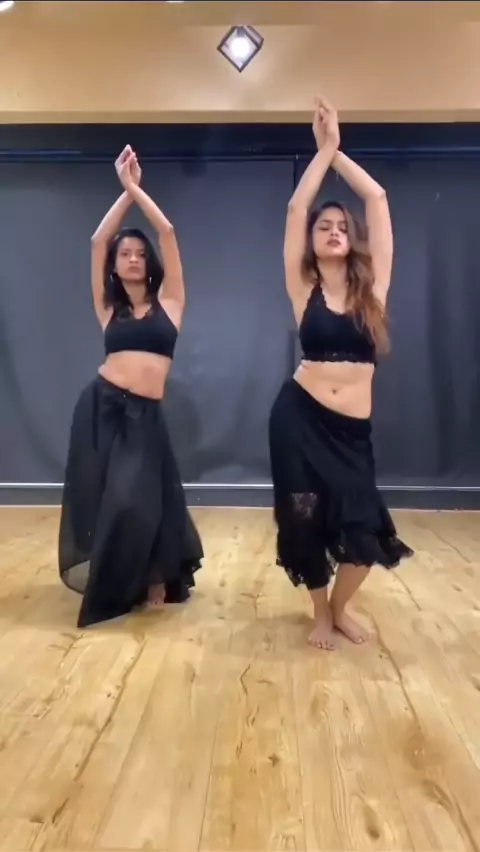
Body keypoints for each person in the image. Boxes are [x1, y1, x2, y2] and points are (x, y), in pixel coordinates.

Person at [269, 97, 413, 650]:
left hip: (350, 432)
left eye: (340, 226)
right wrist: (319, 154)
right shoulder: (301, 289)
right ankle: (320, 613)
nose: (332, 230)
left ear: (351, 237)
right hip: (298, 418)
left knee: (363, 528)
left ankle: (339, 606)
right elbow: (294, 208)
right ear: (311, 240)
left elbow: (376, 199)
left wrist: (336, 150)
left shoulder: (373, 289)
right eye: (323, 226)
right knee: (303, 517)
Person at [59, 145, 203, 628]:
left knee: (139, 499)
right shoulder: (108, 308)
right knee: (111, 498)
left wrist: (137, 190)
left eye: (140, 254)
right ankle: (134, 579)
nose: (134, 259)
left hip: (144, 413)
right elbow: (98, 239)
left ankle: (152, 575)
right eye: (126, 254)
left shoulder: (171, 303)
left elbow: (168, 232)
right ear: (115, 266)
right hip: (101, 407)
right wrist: (122, 192)